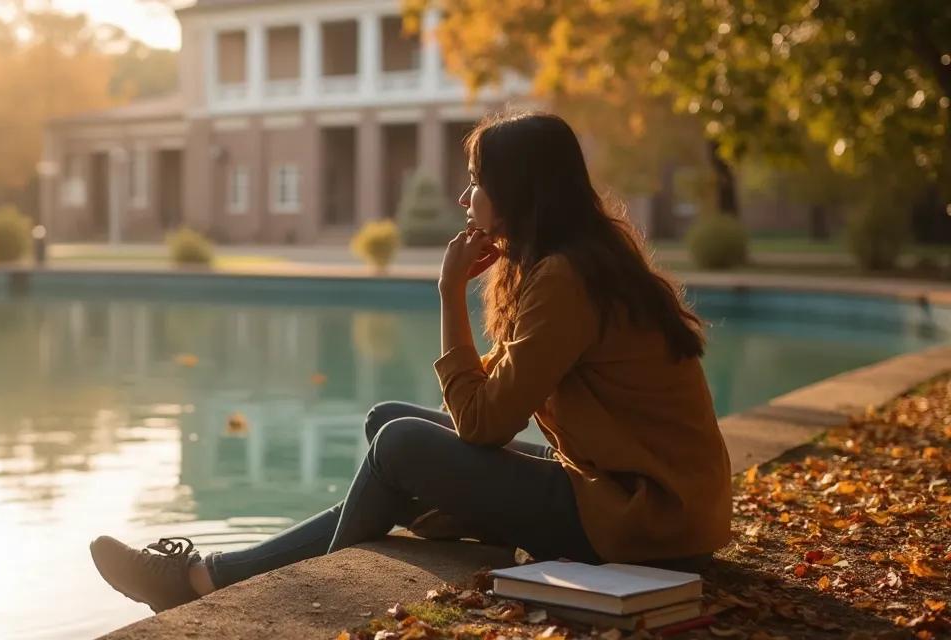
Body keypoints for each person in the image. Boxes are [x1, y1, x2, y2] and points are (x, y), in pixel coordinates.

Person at [88, 111, 732, 614]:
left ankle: (260, 588)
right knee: (387, 419)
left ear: (519, 191)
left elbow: (483, 424)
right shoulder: (580, 259)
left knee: (399, 445)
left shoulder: (567, 277)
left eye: (479, 181)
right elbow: (495, 402)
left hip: (647, 521)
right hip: (645, 501)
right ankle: (220, 576)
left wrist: (450, 294)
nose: (466, 195)